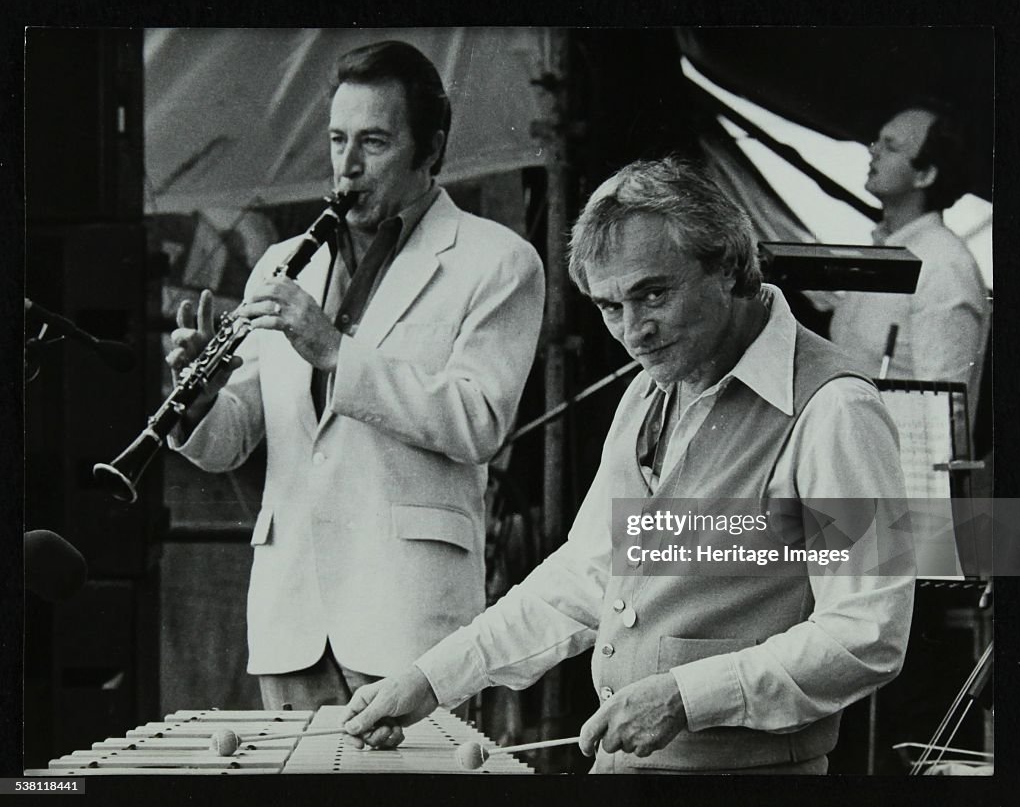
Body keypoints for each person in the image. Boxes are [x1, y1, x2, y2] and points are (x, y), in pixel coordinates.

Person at [337, 156, 915, 774]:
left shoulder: (835, 408)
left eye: (653, 294)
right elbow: (588, 576)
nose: (634, 331)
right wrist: (431, 679)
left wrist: (687, 698)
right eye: (611, 307)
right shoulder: (649, 391)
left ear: (724, 264)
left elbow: (866, 630)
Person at [165, 40, 545, 711]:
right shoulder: (285, 263)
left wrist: (334, 348)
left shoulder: (498, 261)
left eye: (374, 141)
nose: (346, 164)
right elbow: (238, 438)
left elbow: (478, 419)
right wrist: (198, 399)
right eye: (338, 138)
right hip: (292, 622)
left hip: (410, 629)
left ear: (431, 149)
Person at [827, 104, 989, 423]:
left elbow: (944, 412)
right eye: (877, 141)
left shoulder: (944, 265)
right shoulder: (883, 250)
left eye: (891, 146)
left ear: (925, 174)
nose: (873, 152)